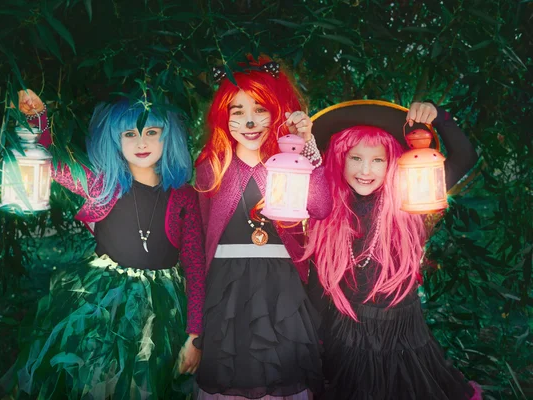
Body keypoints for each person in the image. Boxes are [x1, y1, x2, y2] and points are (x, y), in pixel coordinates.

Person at [1, 90, 205, 399]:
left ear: (168, 138)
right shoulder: (103, 184)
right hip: (103, 303)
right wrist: (37, 119)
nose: (141, 143)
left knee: (147, 382)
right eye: (129, 134)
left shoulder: (183, 196)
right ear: (115, 139)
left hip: (163, 309)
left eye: (151, 132)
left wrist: (195, 336)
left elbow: (195, 265)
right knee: (98, 377)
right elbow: (54, 163)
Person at [305, 101, 483, 399]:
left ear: (393, 162)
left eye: (378, 160)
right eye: (355, 158)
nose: (365, 170)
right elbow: (318, 280)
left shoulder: (412, 195)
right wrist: (313, 333)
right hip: (346, 337)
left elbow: (465, 156)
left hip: (403, 339)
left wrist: (439, 117)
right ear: (339, 158)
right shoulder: (328, 205)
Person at [194, 55, 332, 399]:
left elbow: (321, 206)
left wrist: (307, 145)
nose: (250, 121)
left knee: (280, 368)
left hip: (280, 281)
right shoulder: (211, 165)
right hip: (225, 283)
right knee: (229, 367)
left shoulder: (288, 163)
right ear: (222, 117)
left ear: (277, 111)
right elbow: (196, 239)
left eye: (260, 109)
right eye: (237, 111)